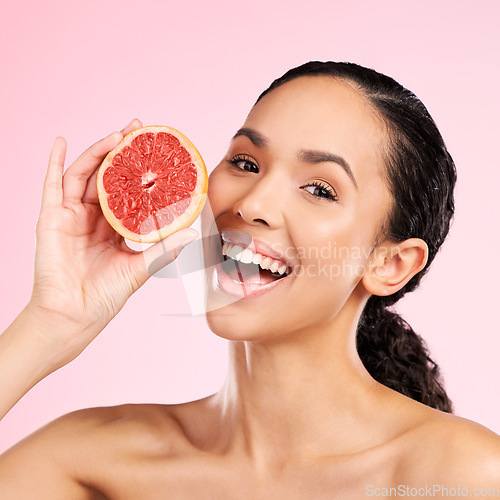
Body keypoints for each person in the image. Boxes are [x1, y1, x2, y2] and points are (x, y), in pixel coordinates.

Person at [0, 61, 498, 498]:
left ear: (389, 264)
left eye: (320, 189)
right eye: (245, 162)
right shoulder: (96, 463)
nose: (251, 204)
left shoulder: (461, 477)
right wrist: (51, 323)